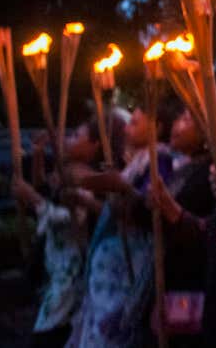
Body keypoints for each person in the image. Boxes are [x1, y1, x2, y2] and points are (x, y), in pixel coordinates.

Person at [68, 97, 180, 348]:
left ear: (157, 128)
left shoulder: (160, 161)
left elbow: (147, 210)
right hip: (111, 264)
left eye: (136, 122)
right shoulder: (133, 162)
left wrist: (120, 188)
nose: (128, 127)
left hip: (129, 266)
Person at [13, 118, 123, 348]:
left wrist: (32, 198)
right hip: (56, 267)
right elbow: (46, 189)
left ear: (94, 146)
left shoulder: (87, 178)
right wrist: (38, 155)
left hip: (71, 272)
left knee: (50, 334)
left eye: (76, 136)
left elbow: (73, 219)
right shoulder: (67, 172)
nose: (66, 140)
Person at [146, 106, 216, 346]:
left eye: (187, 120)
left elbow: (206, 229)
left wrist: (169, 207)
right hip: (168, 272)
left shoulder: (210, 172)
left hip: (190, 280)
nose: (177, 124)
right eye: (179, 117)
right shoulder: (183, 168)